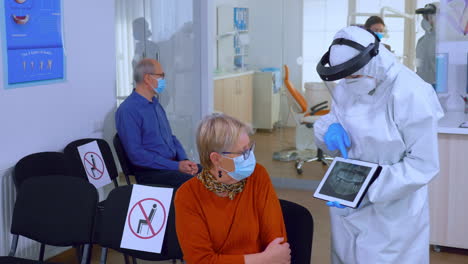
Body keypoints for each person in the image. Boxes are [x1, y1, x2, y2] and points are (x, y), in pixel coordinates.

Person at [315, 26, 444, 263]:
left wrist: (368, 185)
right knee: (344, 255)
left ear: (373, 60)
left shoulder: (410, 92)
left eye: (353, 75)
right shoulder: (349, 83)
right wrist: (327, 131)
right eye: (345, 77)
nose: (348, 81)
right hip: (347, 201)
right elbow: (334, 120)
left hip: (392, 210)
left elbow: (423, 164)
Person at [175, 113, 290, 264]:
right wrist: (263, 259)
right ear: (216, 159)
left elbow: (277, 245)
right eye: (243, 152)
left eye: (249, 148)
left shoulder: (257, 175)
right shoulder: (188, 196)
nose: (250, 157)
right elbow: (200, 260)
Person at [115, 58, 199, 187]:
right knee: (196, 184)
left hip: (171, 165)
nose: (164, 80)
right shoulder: (128, 110)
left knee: (210, 174)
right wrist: (176, 166)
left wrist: (184, 160)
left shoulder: (156, 105)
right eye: (161, 76)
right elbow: (136, 155)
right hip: (151, 172)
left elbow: (171, 138)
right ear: (148, 78)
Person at [416, 2, 438, 89]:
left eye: (430, 16)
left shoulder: (446, 42)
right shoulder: (421, 42)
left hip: (443, 89)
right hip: (423, 88)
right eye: (425, 16)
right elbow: (418, 64)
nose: (428, 19)